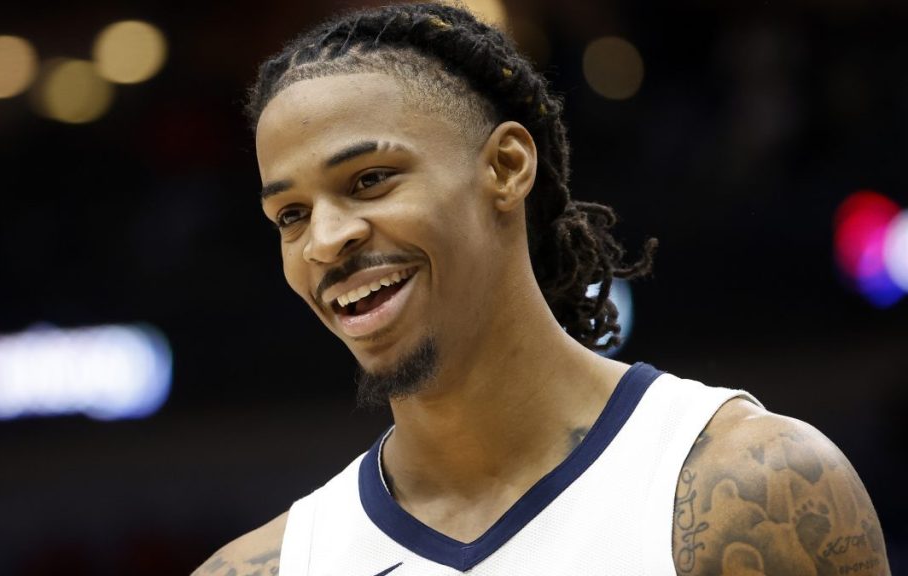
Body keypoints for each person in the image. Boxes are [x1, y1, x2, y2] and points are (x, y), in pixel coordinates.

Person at [194, 3, 890, 574]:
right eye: (291, 215)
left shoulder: (752, 489)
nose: (324, 241)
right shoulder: (262, 568)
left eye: (370, 180)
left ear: (504, 166)